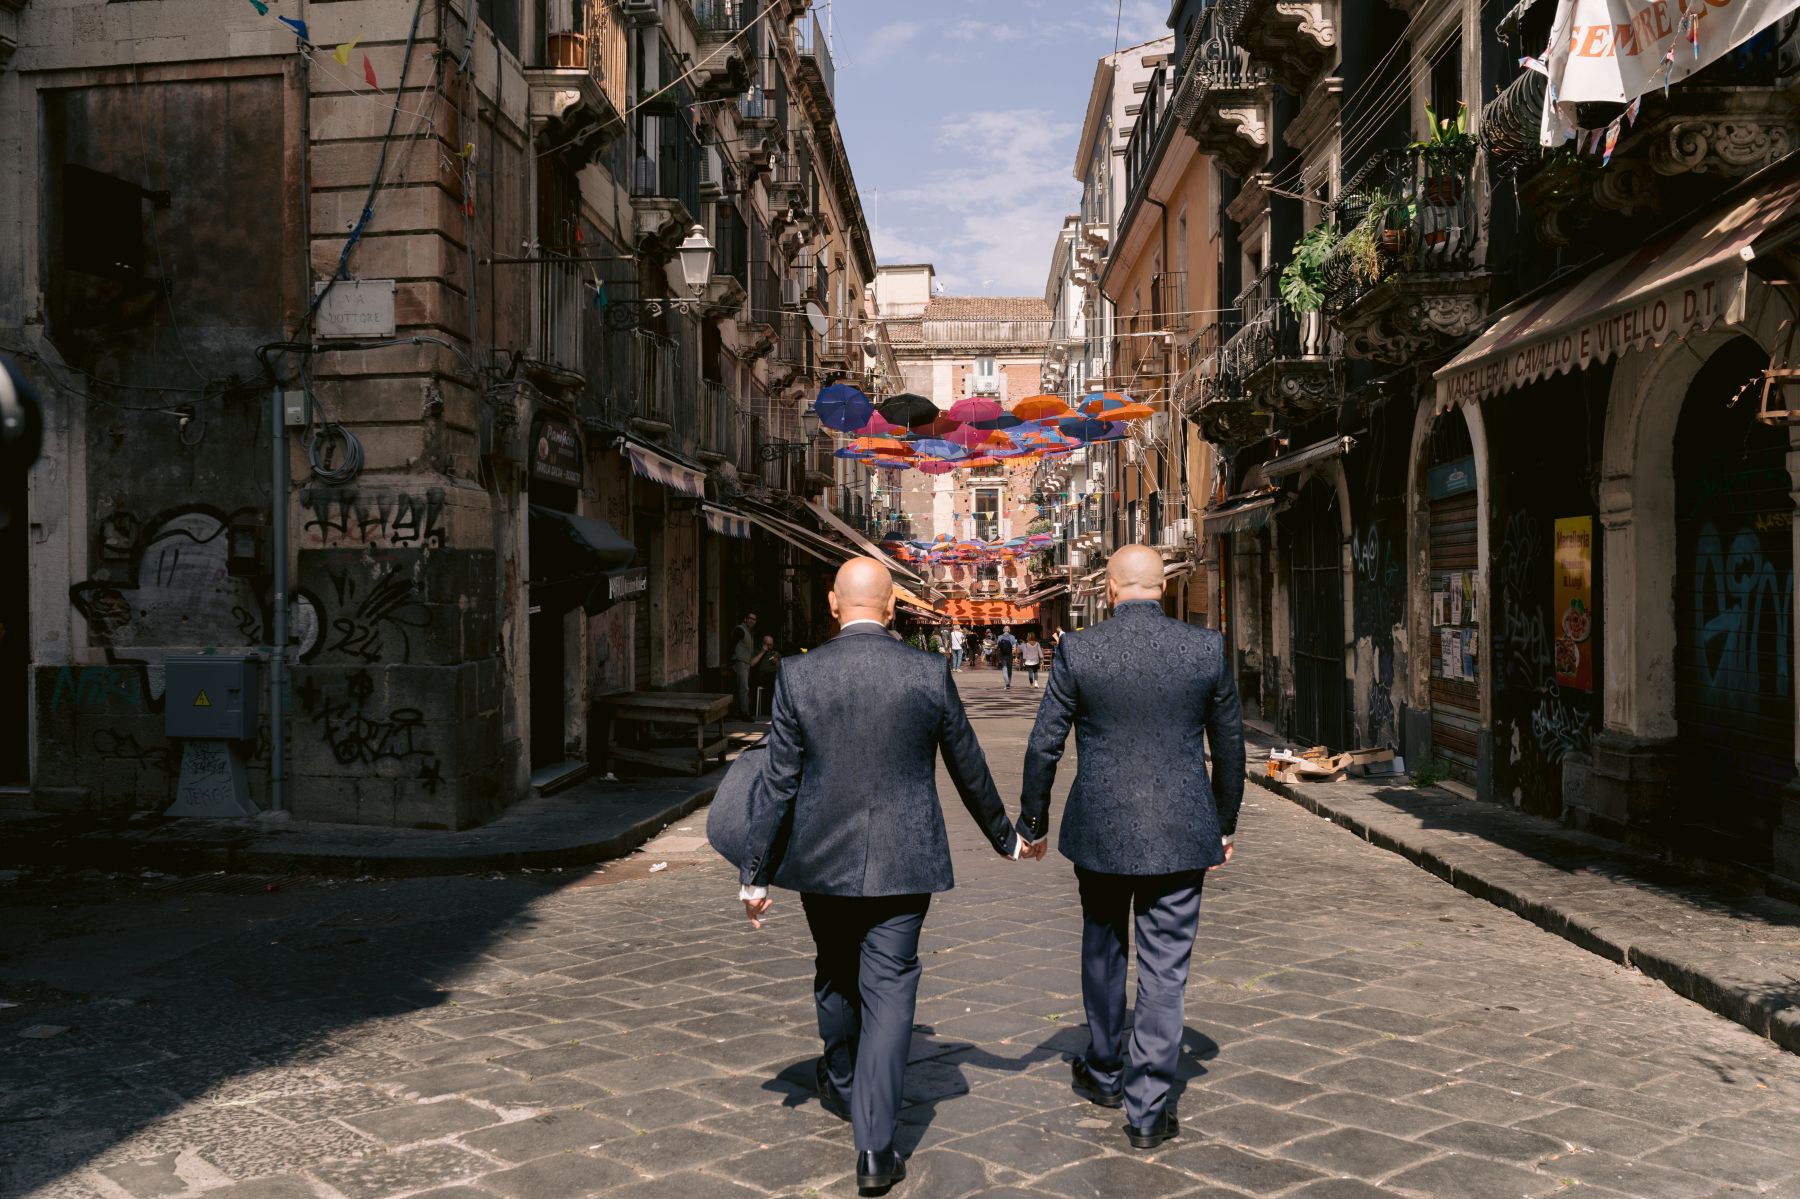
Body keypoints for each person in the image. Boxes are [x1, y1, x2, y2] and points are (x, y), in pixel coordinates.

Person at [738, 558, 1040, 1189]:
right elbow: (968, 764)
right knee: (891, 988)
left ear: (831, 604)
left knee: (834, 970)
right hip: (908, 860)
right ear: (893, 607)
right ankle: (875, 1148)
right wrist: (1005, 837)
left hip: (822, 860)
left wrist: (755, 872)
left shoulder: (798, 675)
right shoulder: (927, 672)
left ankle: (845, 1082)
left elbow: (778, 783)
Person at [1015, 544, 1245, 1152]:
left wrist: (1032, 821)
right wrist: (1223, 824)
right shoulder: (1205, 649)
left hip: (1101, 829)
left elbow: (1044, 745)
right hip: (1180, 830)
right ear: (1163, 588)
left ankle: (1106, 1069)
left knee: (1104, 945)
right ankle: (1148, 1108)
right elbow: (1230, 747)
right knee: (1166, 968)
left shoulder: (1079, 650)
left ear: (1111, 590)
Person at [730, 612, 758, 719]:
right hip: (740, 662)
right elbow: (732, 644)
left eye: (754, 619)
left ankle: (739, 712)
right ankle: (744, 713)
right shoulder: (740, 629)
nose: (752, 621)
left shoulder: (750, 632)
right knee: (744, 688)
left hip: (746, 663)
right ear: (745, 619)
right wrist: (732, 661)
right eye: (750, 618)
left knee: (742, 687)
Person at [748, 635, 781, 717]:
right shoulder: (757, 651)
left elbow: (781, 667)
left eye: (771, 645)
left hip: (776, 676)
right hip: (763, 677)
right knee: (774, 679)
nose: (769, 647)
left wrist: (776, 662)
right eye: (767, 644)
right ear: (763, 644)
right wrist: (762, 652)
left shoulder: (775, 653)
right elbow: (751, 664)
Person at [994, 625, 1019, 689]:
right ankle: (1009, 683)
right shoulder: (1012, 637)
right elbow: (1015, 647)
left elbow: (997, 647)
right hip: (1010, 655)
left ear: (1003, 630)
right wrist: (1016, 656)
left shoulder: (1000, 637)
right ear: (1009, 630)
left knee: (1004, 669)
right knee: (1009, 670)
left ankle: (1007, 683)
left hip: (1002, 655)